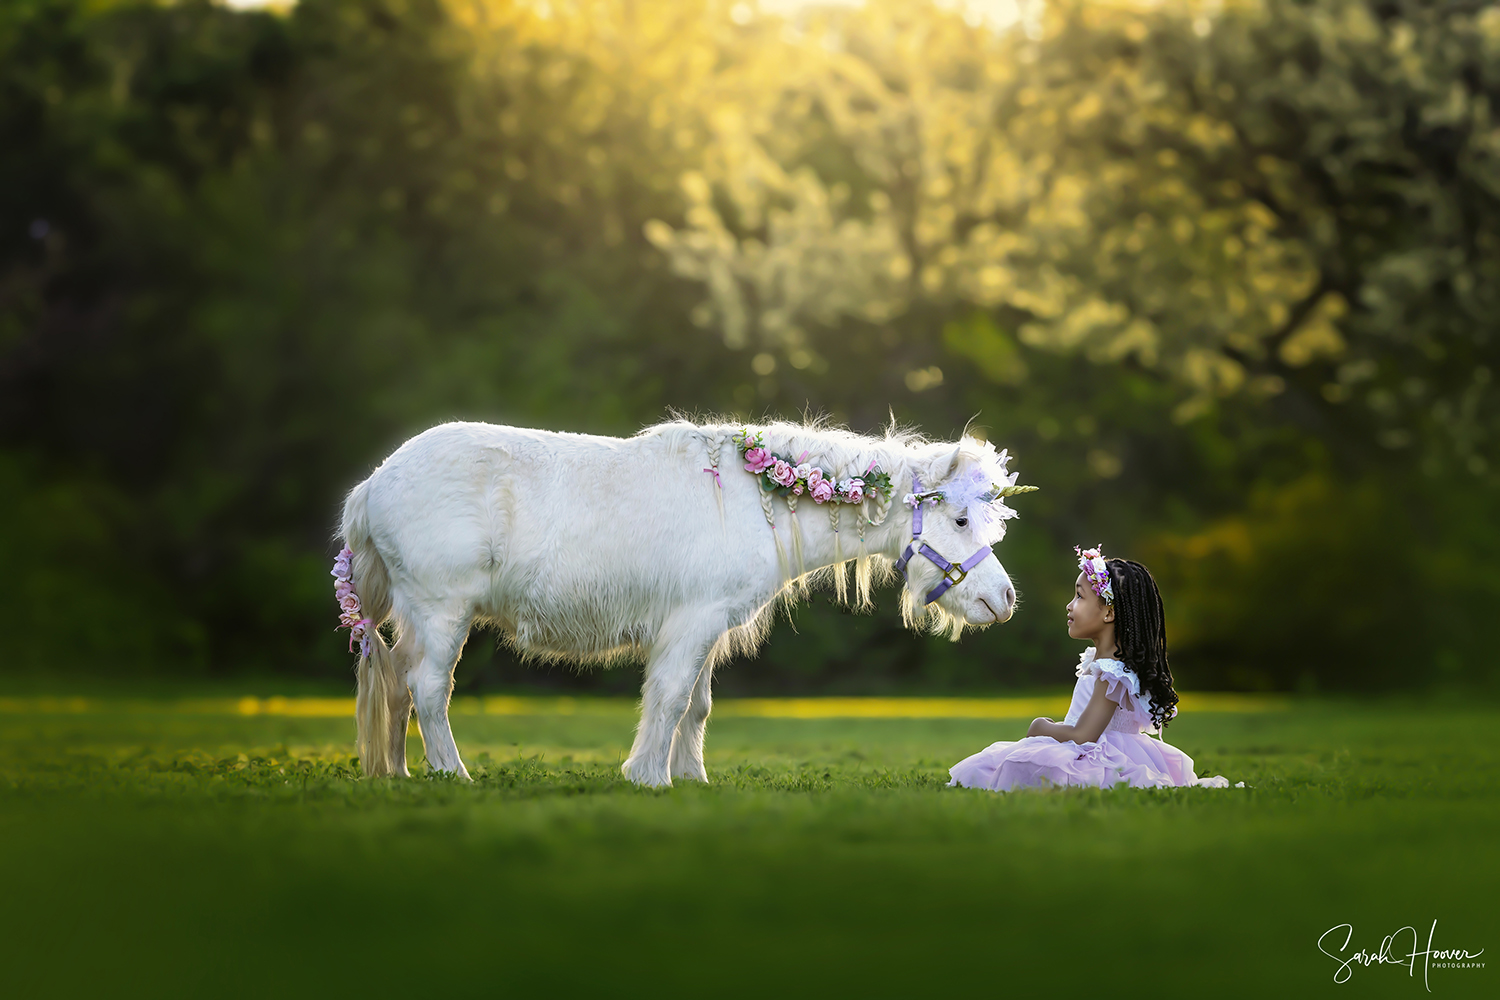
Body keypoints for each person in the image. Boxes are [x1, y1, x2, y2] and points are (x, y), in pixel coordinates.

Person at [948, 545, 1240, 792]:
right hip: (1094, 746)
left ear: (1109, 612)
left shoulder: (1112, 671)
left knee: (1019, 764)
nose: (1069, 605)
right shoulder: (1105, 664)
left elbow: (1085, 734)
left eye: (1079, 596)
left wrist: (1042, 726)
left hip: (1099, 753)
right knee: (1008, 763)